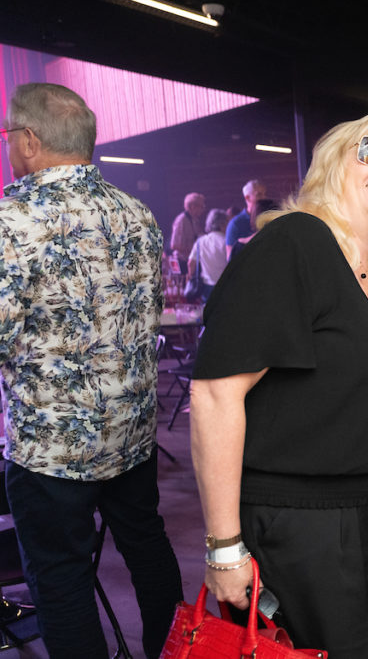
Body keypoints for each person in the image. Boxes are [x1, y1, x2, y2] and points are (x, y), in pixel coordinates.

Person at [190, 110, 368, 659]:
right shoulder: (298, 242)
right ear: (332, 165)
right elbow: (215, 393)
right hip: (309, 520)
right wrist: (224, 549)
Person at [0, 82, 182, 659]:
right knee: (149, 550)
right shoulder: (139, 214)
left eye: (8, 135)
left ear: (28, 141)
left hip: (52, 450)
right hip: (130, 437)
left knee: (61, 581)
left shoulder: (11, 220)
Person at [187, 208, 230, 302]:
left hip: (206, 286)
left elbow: (191, 263)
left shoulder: (200, 241)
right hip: (224, 286)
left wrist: (191, 278)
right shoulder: (226, 242)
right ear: (222, 224)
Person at [224, 178, 267, 252]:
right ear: (247, 198)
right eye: (259, 195)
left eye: (264, 194)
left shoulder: (268, 219)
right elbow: (231, 257)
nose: (264, 198)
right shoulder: (236, 224)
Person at [170, 191, 206, 265]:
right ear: (192, 206)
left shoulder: (195, 220)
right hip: (183, 262)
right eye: (201, 206)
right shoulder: (182, 220)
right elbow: (174, 245)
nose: (203, 209)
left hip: (190, 260)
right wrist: (192, 252)